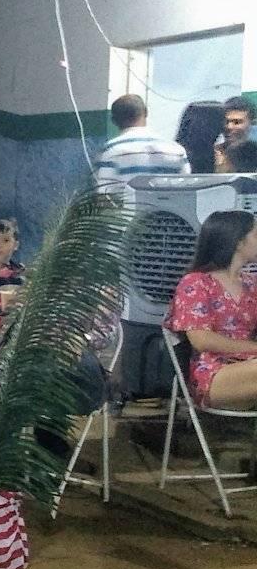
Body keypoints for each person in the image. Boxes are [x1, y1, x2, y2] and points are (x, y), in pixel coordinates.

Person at [166, 210, 257, 407]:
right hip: (212, 371)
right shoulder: (196, 283)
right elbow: (202, 340)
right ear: (238, 242)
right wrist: (253, 348)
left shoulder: (252, 285)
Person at [92, 94, 188, 189]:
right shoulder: (177, 150)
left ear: (114, 120)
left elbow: (105, 191)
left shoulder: (110, 151)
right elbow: (186, 188)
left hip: (127, 200)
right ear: (146, 113)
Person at [215, 97, 255, 173]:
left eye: (237, 122)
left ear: (251, 123)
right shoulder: (210, 155)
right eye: (226, 122)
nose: (229, 127)